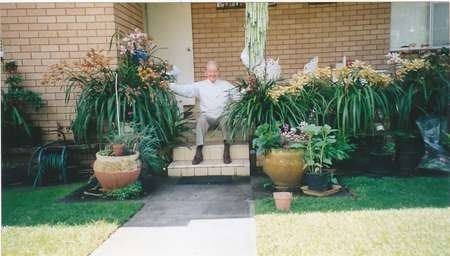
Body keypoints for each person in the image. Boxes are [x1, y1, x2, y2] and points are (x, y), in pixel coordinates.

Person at [169, 61, 239, 165]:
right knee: (201, 122)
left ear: (218, 72)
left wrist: (249, 91)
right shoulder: (200, 85)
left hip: (222, 115)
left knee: (226, 120)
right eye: (210, 71)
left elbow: (238, 95)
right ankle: (199, 152)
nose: (212, 74)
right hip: (207, 116)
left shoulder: (226, 85)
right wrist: (170, 86)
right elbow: (185, 90)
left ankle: (226, 150)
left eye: (215, 71)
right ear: (205, 72)